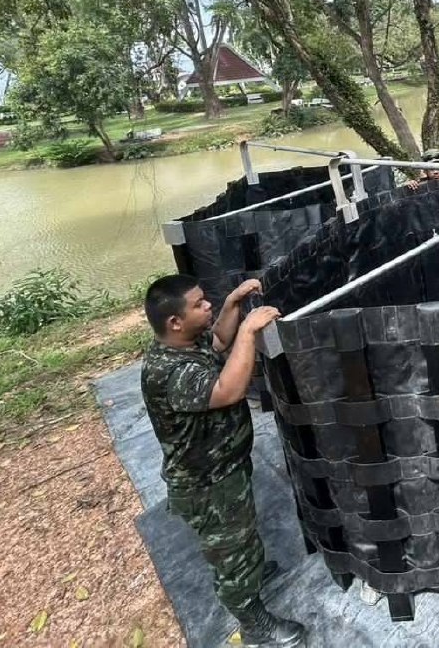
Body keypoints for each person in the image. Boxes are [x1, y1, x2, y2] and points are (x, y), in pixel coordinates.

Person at [141, 275, 306, 648]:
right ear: (174, 322)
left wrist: (233, 303)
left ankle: (249, 573)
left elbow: (216, 342)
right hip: (207, 485)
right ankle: (253, 622)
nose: (207, 306)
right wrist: (248, 330)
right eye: (199, 304)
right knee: (233, 555)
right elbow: (228, 390)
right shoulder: (170, 372)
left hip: (224, 468)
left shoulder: (185, 343)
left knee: (243, 539)